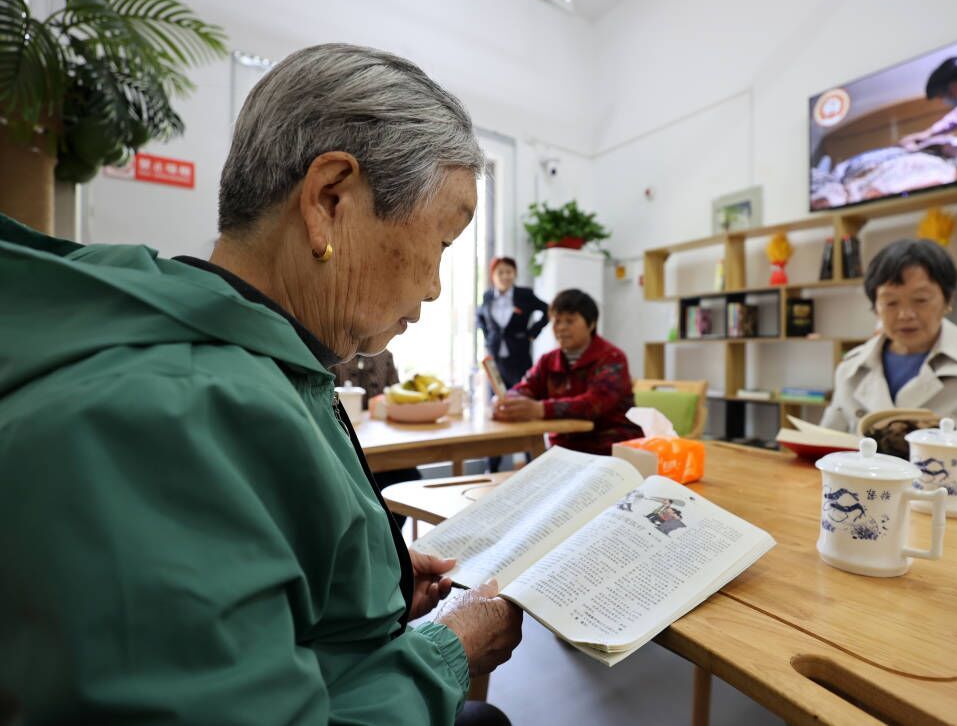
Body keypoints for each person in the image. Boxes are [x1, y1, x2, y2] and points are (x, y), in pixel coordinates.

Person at [0, 44, 521, 725]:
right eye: (444, 243)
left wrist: (380, 580)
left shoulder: (264, 360)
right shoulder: (158, 418)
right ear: (329, 200)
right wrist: (449, 650)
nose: (432, 287)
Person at [819, 238, 957, 485]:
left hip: (953, 510)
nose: (905, 314)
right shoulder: (851, 368)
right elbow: (825, 448)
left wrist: (923, 477)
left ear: (948, 300)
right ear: (876, 307)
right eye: (891, 302)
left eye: (921, 299)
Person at [494, 289, 643, 455]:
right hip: (564, 450)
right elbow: (525, 388)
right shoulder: (548, 361)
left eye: (570, 321)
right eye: (557, 321)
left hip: (611, 450)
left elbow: (594, 404)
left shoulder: (612, 358)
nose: (561, 328)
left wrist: (540, 409)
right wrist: (509, 402)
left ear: (591, 324)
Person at [333, 349, 421, 526]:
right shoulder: (335, 355)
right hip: (345, 438)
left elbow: (395, 396)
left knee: (409, 476)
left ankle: (392, 538)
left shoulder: (385, 356)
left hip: (382, 438)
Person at [476, 256, 549, 389]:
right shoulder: (488, 296)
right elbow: (479, 316)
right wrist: (488, 337)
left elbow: (548, 310)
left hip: (519, 354)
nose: (505, 276)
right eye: (500, 272)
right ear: (493, 275)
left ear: (515, 274)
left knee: (522, 392)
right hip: (495, 356)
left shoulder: (525, 294)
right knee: (497, 395)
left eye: (509, 272)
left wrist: (533, 332)